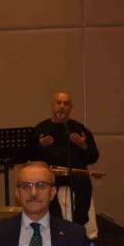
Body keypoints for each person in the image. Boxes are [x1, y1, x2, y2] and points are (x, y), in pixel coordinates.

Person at [33, 91, 99, 230]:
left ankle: (78, 225)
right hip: (50, 174)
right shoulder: (41, 129)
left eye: (66, 103)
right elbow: (29, 156)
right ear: (52, 106)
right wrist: (39, 146)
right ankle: (57, 225)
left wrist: (83, 145)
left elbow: (94, 157)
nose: (62, 106)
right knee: (45, 186)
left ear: (71, 108)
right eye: (59, 103)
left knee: (84, 184)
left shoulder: (79, 129)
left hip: (75, 174)